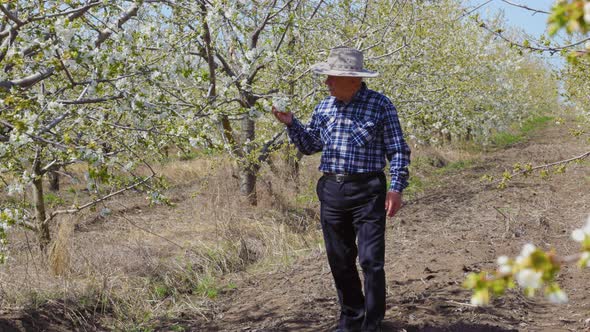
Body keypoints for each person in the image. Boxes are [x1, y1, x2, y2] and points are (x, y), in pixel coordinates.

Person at [272, 46, 411, 332]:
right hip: (332, 190)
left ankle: (372, 323)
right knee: (339, 259)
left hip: (368, 190)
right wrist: (291, 124)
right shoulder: (324, 107)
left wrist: (396, 188)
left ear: (354, 80)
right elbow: (311, 145)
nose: (326, 82)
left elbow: (397, 150)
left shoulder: (380, 105)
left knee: (371, 260)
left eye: (331, 77)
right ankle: (351, 319)